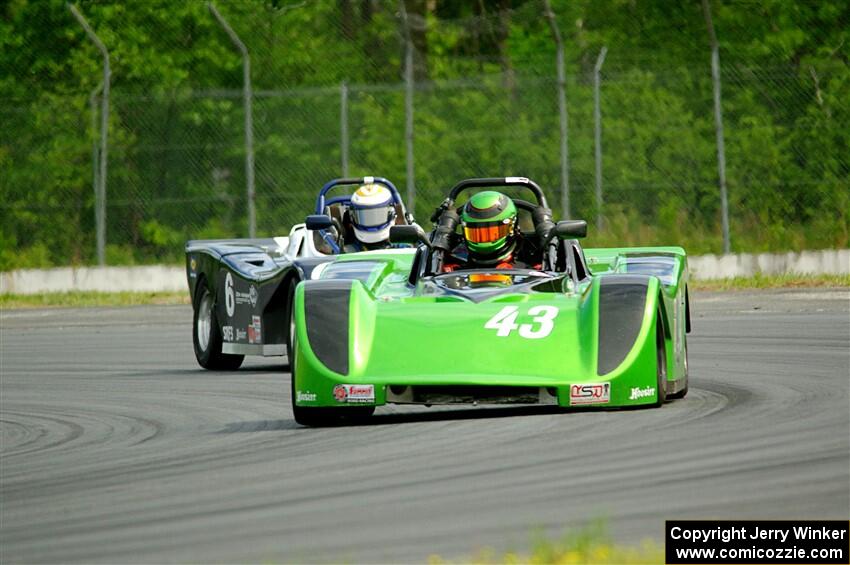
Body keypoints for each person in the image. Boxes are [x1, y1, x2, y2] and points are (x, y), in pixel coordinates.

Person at [442, 191, 541, 272]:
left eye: (493, 233)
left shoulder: (534, 267)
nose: (484, 241)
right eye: (476, 234)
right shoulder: (452, 265)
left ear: (512, 228)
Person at [342, 182, 399, 252]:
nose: (372, 220)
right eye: (367, 217)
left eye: (379, 216)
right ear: (353, 217)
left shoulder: (403, 248)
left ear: (392, 214)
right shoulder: (347, 251)